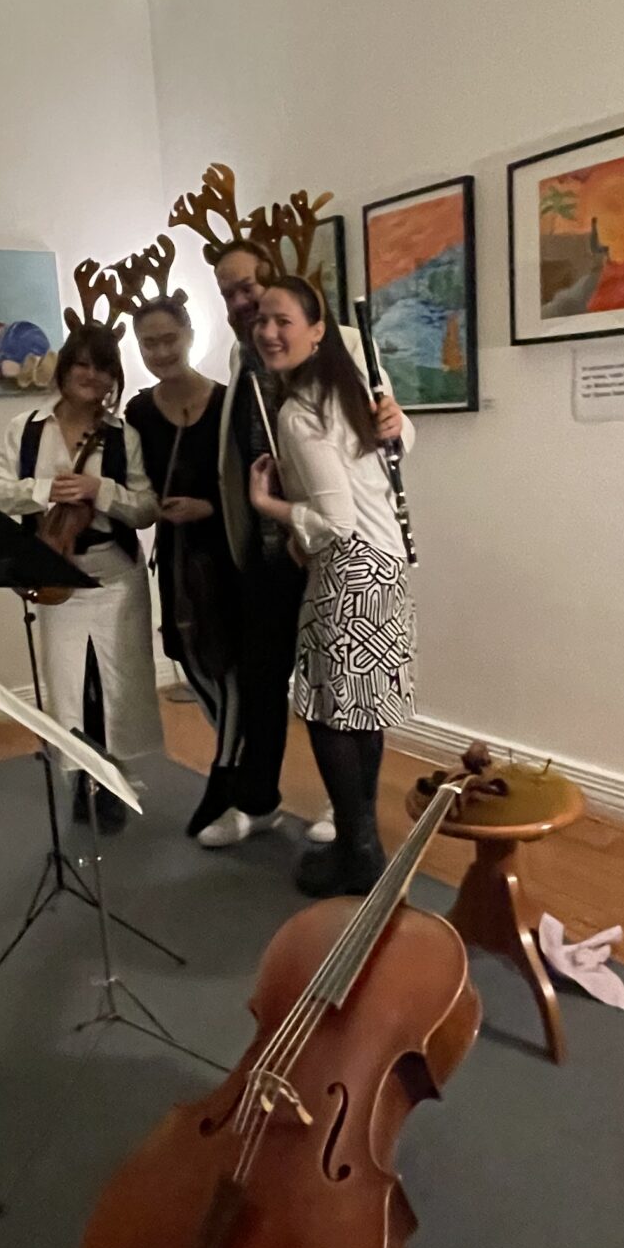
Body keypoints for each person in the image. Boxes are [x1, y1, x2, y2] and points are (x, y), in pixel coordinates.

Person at [200, 243, 407, 851]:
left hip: (329, 546)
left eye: (248, 286)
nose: (242, 303)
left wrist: (399, 421)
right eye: (229, 293)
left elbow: (389, 435)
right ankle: (260, 802)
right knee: (263, 679)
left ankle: (350, 816)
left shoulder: (345, 344)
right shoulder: (243, 356)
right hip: (273, 552)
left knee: (347, 697)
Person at [247, 275, 416, 896]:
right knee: (361, 710)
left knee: (328, 714)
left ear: (318, 331)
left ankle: (359, 852)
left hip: (347, 569)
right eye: (262, 320)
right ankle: (360, 845)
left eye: (283, 321)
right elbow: (394, 448)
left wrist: (269, 505)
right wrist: (402, 427)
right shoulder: (348, 385)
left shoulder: (299, 413)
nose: (268, 332)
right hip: (388, 562)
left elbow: (335, 522)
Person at [0, 321, 157, 831]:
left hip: (114, 574)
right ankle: (82, 777)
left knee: (114, 684)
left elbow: (145, 508)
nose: (92, 376)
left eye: (104, 368)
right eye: (83, 364)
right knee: (69, 686)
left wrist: (100, 490)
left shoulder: (123, 436)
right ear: (64, 369)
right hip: (55, 569)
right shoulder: (27, 428)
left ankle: (112, 781)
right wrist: (44, 491)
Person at [124, 296, 241, 835]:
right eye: (149, 343)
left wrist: (208, 508)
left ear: (190, 334)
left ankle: (230, 788)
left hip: (229, 555)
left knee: (232, 672)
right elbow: (136, 485)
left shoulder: (229, 403)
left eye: (169, 339)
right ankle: (246, 780)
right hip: (176, 558)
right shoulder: (139, 412)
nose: (161, 351)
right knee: (193, 664)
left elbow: (256, 480)